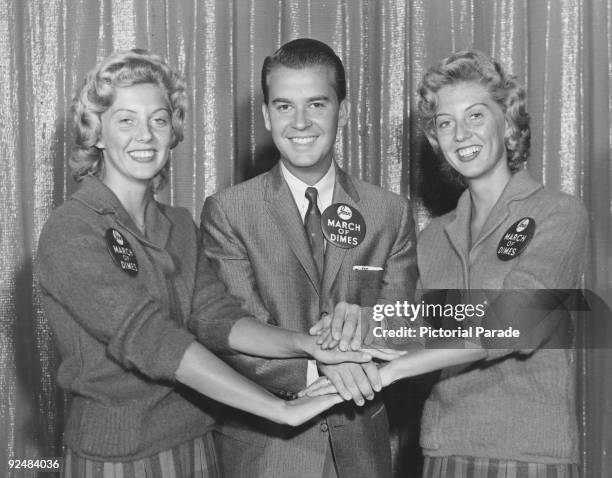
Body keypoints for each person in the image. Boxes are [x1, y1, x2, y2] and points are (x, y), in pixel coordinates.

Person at [37, 49, 381, 478]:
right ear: (98, 132)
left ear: (173, 131)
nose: (144, 135)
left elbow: (217, 318)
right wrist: (278, 409)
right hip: (120, 457)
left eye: (159, 120)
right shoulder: (71, 229)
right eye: (126, 120)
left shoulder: (178, 224)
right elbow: (151, 339)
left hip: (196, 443)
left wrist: (307, 344)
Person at [305, 50, 587, 477]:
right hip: (444, 448)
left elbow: (513, 322)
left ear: (507, 123)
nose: (461, 134)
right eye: (445, 123)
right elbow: (425, 326)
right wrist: (359, 323)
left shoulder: (559, 213)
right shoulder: (435, 237)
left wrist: (391, 372)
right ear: (436, 140)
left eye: (475, 115)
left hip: (530, 454)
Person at [199, 38, 418, 478]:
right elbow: (233, 331)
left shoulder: (389, 212)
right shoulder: (228, 210)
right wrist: (326, 367)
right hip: (265, 454)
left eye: (316, 104)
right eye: (283, 106)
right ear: (266, 115)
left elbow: (400, 323)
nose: (300, 122)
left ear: (343, 111)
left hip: (362, 452)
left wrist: (370, 335)